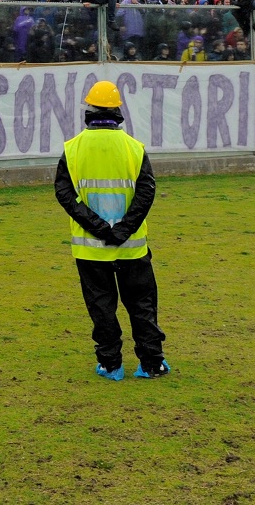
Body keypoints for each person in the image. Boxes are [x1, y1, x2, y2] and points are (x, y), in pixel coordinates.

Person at [54, 81, 169, 381]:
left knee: (101, 306)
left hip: (91, 248)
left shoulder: (72, 149)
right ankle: (152, 363)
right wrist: (123, 230)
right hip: (132, 247)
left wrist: (99, 229)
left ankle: (110, 363)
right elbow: (146, 191)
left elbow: (65, 194)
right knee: (142, 304)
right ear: (118, 111)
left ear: (89, 110)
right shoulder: (134, 148)